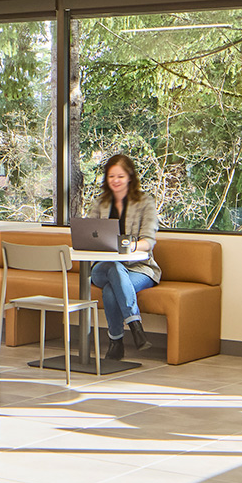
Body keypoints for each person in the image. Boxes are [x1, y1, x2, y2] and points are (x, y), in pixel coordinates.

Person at [86, 153, 161, 360]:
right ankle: (135, 325)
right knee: (113, 267)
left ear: (130, 177)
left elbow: (148, 241)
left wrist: (130, 246)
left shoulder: (145, 202)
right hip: (103, 267)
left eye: (120, 176)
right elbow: (89, 234)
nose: (115, 181)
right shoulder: (99, 203)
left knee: (111, 289)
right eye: (111, 176)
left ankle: (116, 342)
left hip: (139, 267)